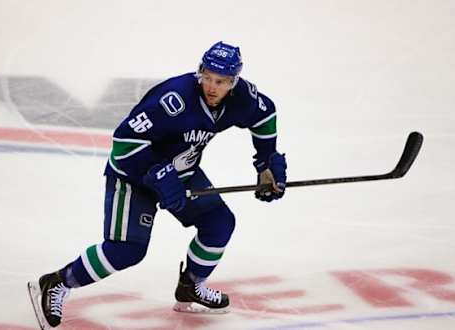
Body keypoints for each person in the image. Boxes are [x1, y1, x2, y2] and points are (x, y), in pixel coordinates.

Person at [27, 41, 287, 328]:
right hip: (133, 175)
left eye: (221, 81)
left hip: (180, 172)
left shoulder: (242, 99)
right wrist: (158, 173)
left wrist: (265, 163)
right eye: (208, 77)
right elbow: (123, 144)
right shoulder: (173, 100)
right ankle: (57, 283)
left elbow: (265, 115)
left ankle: (190, 286)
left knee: (219, 223)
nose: (212, 87)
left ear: (233, 82)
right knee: (126, 250)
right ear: (200, 71)